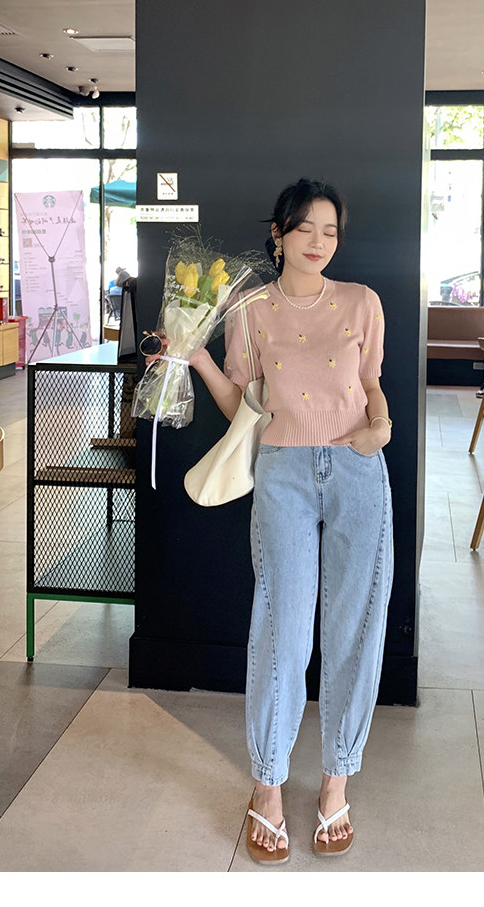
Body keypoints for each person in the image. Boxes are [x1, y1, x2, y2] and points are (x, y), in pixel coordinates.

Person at [188, 178, 394, 864]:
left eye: (330, 231)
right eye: (305, 227)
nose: (319, 242)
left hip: (358, 468)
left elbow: (370, 383)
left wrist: (381, 426)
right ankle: (268, 787)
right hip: (283, 473)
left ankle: (336, 783)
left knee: (356, 625)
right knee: (280, 629)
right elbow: (241, 405)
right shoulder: (249, 309)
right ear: (278, 234)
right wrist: (194, 356)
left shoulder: (362, 302)